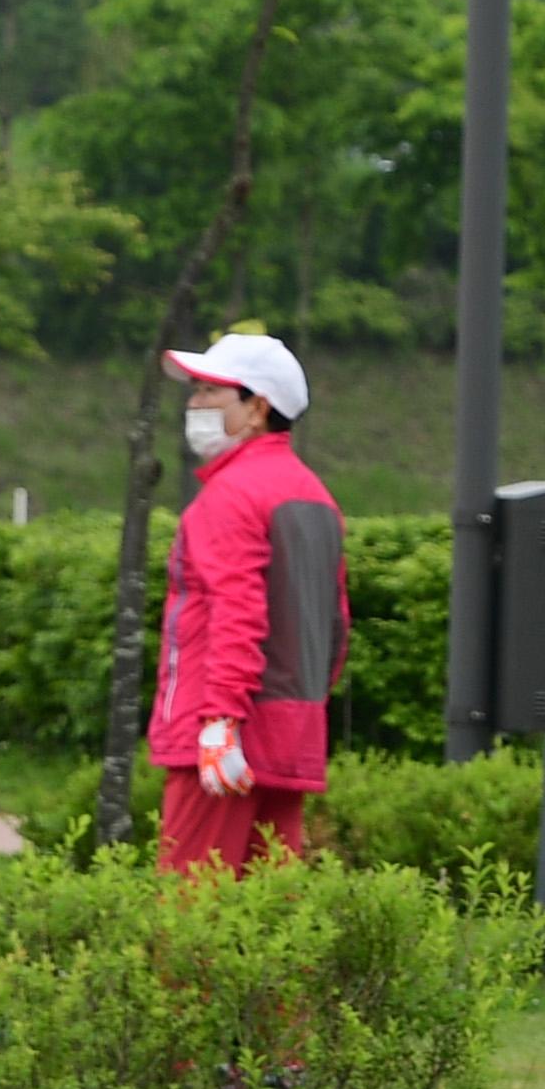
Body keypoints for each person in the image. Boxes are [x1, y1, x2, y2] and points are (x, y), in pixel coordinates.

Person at [150, 330, 346, 876]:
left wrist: (220, 723)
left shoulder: (230, 495)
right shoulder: (316, 496)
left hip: (220, 740)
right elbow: (334, 628)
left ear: (257, 407)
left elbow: (236, 611)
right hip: (292, 735)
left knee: (193, 917)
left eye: (210, 391)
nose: (194, 404)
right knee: (270, 920)